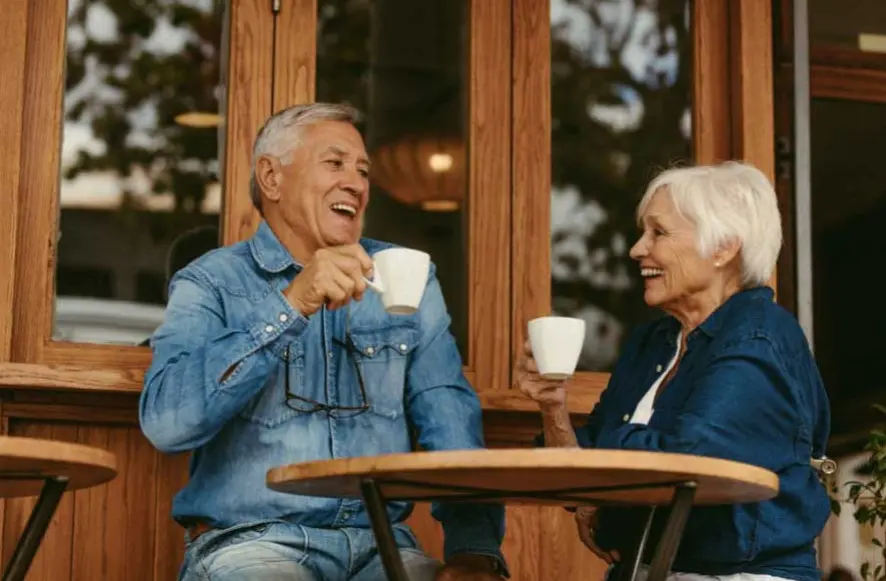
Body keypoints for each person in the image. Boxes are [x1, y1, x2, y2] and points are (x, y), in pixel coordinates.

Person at [139, 103, 507, 581]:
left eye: (363, 170)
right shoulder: (211, 281)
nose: (355, 182)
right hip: (252, 543)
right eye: (334, 164)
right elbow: (167, 423)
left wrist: (474, 552)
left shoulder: (404, 276)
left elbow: (449, 417)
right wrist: (291, 304)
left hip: (383, 547)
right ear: (271, 178)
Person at [517, 161, 831, 581]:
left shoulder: (760, 338)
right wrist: (553, 406)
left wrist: (600, 479)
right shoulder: (655, 342)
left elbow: (683, 461)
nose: (637, 249)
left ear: (723, 247)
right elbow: (578, 465)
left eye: (658, 233)